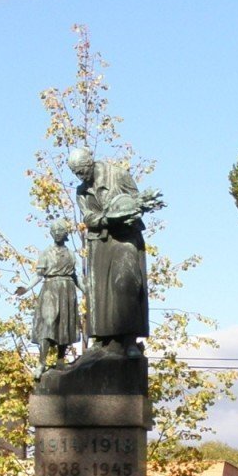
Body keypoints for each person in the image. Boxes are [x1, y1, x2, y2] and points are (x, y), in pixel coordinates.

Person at [66, 147, 164, 356]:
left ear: (90, 161)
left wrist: (123, 213)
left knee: (126, 283)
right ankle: (104, 341)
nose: (80, 175)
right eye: (75, 172)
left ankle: (129, 342)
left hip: (125, 237)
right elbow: (88, 217)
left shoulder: (117, 174)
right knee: (100, 291)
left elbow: (137, 202)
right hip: (100, 242)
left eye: (81, 170)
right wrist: (105, 219)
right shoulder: (81, 191)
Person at [31, 218, 81, 374]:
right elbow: (39, 275)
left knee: (65, 325)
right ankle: (41, 363)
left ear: (65, 233)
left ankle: (60, 360)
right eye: (55, 231)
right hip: (50, 289)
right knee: (48, 322)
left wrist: (89, 291)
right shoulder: (46, 252)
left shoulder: (71, 254)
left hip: (67, 289)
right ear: (51, 233)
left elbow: (76, 277)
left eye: (61, 230)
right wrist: (27, 288)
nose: (58, 233)